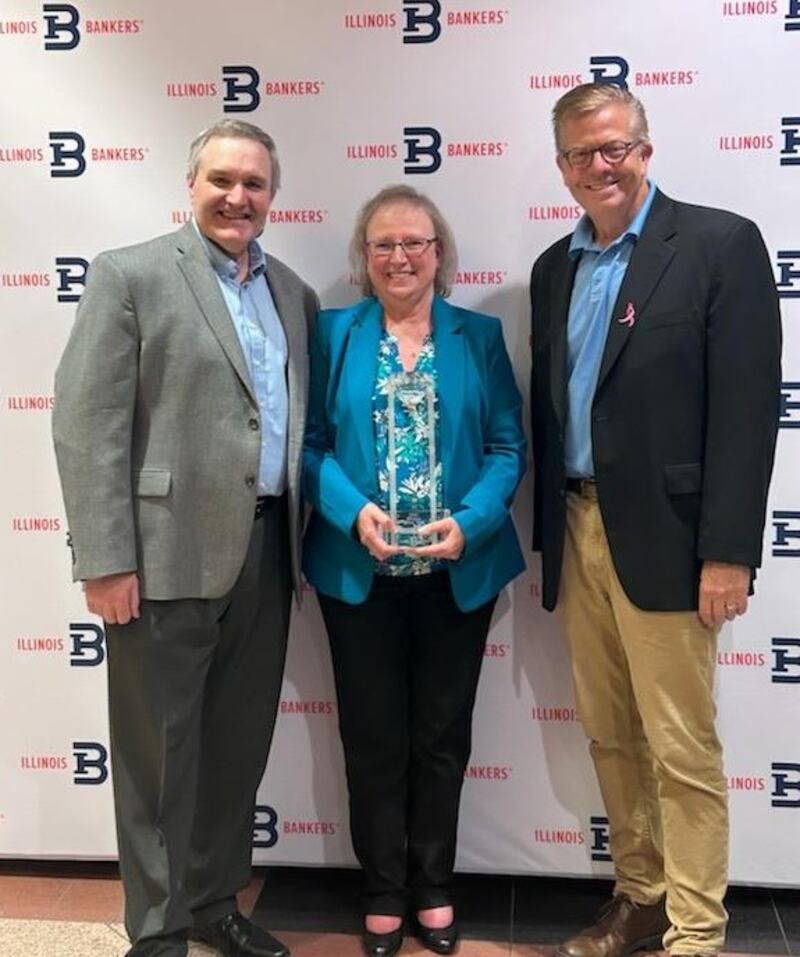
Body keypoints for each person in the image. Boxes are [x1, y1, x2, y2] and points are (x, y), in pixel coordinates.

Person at [52, 119, 318, 957]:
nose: (238, 197)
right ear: (191, 185)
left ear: (273, 197)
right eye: (223, 180)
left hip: (270, 554)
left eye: (255, 185)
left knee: (236, 753)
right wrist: (104, 557)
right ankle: (159, 931)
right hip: (160, 558)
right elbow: (86, 422)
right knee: (157, 759)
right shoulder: (130, 276)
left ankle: (213, 903)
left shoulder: (296, 296)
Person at [529, 83, 781, 957]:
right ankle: (639, 897)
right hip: (577, 527)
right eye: (580, 154)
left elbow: (747, 414)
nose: (601, 166)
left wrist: (728, 551)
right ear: (560, 168)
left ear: (645, 146)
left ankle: (696, 930)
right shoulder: (552, 268)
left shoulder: (719, 245)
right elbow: (554, 409)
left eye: (615, 147)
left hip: (674, 545)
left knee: (680, 745)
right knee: (610, 733)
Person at [303, 184, 526, 957]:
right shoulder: (332, 334)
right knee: (371, 737)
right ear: (365, 259)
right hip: (356, 574)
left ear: (440, 254)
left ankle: (434, 884)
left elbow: (507, 446)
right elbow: (310, 445)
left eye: (416, 242)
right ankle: (382, 888)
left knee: (440, 736)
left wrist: (470, 525)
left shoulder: (479, 336)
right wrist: (347, 510)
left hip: (454, 576)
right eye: (384, 244)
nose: (400, 256)